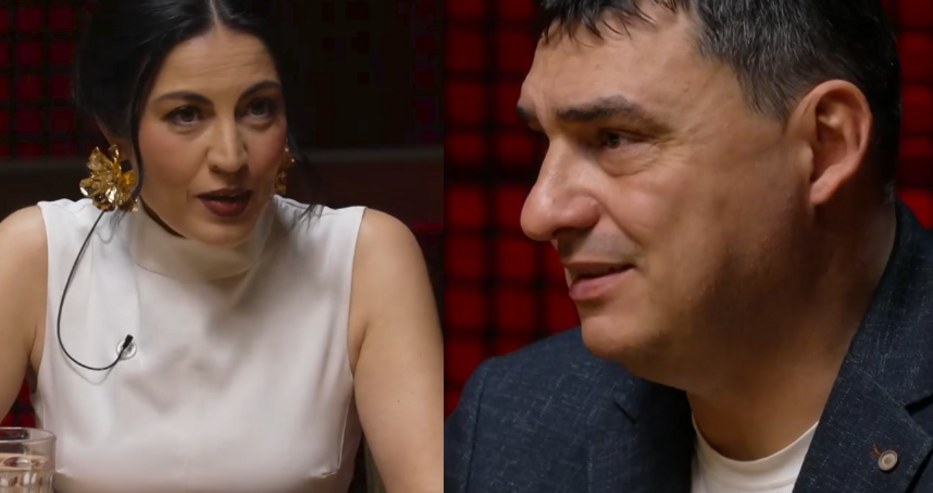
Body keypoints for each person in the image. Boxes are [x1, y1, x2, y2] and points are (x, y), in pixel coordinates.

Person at [445, 0, 933, 491]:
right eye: (543, 140)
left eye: (614, 139)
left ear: (826, 145)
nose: (539, 213)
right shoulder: (510, 427)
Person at [0, 1, 443, 492]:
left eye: (258, 108)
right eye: (186, 115)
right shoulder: (38, 252)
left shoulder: (365, 257)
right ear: (114, 130)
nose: (231, 157)